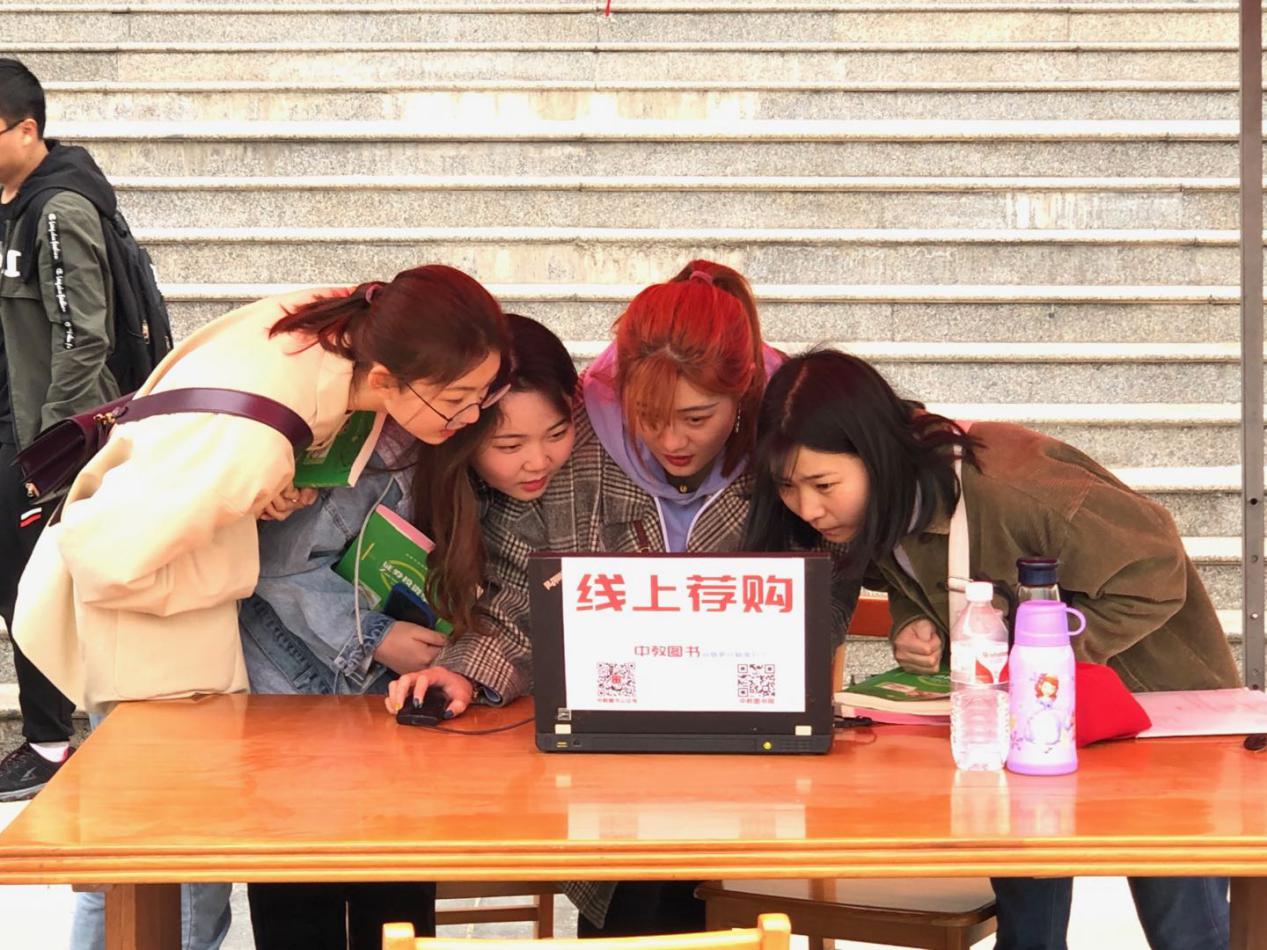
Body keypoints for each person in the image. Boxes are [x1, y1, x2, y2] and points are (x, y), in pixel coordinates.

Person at [16, 264, 509, 950]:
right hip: (153, 649)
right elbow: (106, 558)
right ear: (386, 379)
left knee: (130, 871)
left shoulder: (333, 320)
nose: (470, 418)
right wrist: (241, 527)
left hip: (165, 625)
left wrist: (256, 497)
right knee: (179, 894)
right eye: (455, 400)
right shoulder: (255, 443)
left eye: (483, 395)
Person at [387, 263, 858, 937]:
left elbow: (827, 590)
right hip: (613, 745)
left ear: (743, 393)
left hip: (748, 741)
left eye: (698, 418)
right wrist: (463, 672)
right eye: (648, 417)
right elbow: (523, 601)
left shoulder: (786, 440)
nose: (672, 441)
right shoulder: (571, 448)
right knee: (635, 879)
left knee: (718, 882)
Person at [744, 348, 1237, 950]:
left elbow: (1156, 572)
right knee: (1027, 924)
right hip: (1020, 725)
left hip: (1159, 715)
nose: (808, 509)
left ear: (877, 454)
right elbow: (912, 577)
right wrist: (914, 623)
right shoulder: (882, 502)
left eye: (823, 485)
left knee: (1186, 928)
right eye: (787, 487)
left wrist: (1037, 660)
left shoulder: (1018, 487)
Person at [238, 313, 571, 949]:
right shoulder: (379, 467)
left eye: (557, 433)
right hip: (295, 697)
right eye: (509, 445)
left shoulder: (532, 487)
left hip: (396, 711)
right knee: (298, 895)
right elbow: (276, 569)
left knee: (397, 898)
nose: (538, 460)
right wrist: (374, 638)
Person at [0, 58, 118, 800]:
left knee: (29, 587)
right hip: (13, 422)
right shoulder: (15, 204)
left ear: (26, 129)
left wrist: (49, 453)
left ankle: (50, 742)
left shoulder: (58, 211)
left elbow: (84, 339)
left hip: (38, 437)